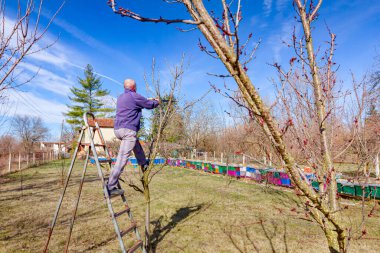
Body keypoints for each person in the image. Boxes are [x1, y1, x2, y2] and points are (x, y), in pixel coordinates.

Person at [107, 79, 159, 196]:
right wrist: (157, 102)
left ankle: (143, 162)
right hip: (128, 130)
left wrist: (146, 99)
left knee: (135, 142)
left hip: (118, 130)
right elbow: (149, 105)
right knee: (122, 159)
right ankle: (110, 187)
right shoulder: (135, 96)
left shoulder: (121, 97)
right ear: (134, 87)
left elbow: (138, 101)